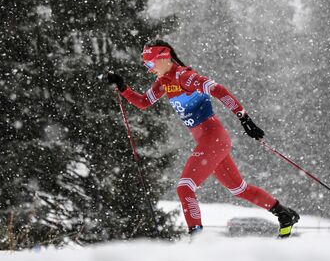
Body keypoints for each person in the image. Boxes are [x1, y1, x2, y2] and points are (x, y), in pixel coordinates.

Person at [107, 39, 299, 237]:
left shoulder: (184, 76)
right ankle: (283, 214)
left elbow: (218, 89)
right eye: (146, 65)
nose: (149, 69)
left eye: (150, 63)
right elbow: (144, 102)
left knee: (184, 187)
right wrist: (123, 87)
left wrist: (244, 118)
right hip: (211, 142)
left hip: (213, 138)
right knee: (239, 189)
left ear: (164, 57)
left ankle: (197, 239)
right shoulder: (164, 81)